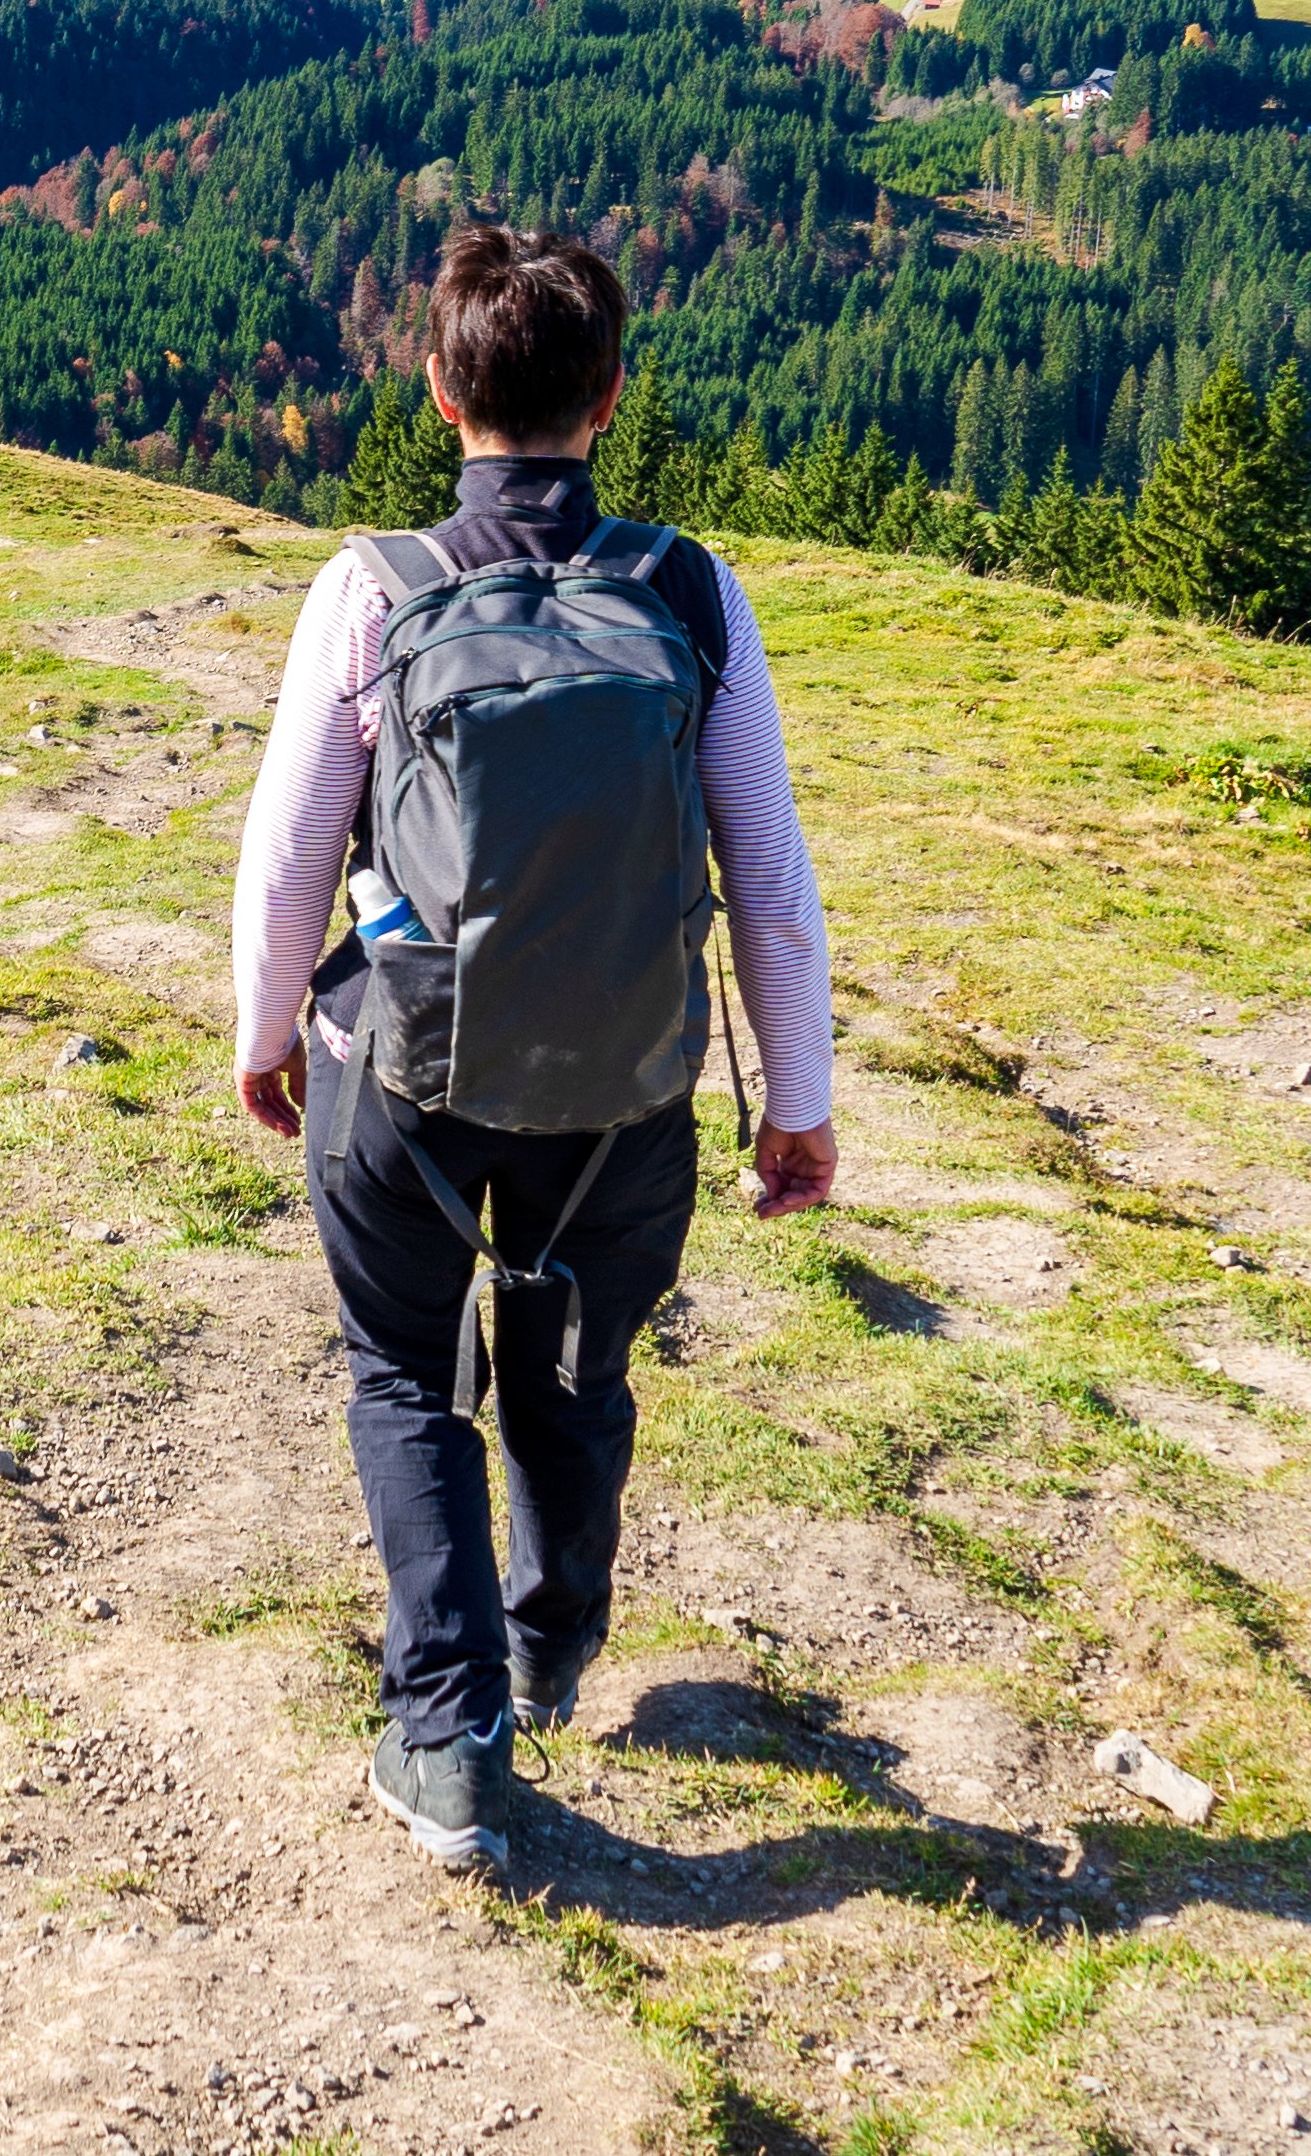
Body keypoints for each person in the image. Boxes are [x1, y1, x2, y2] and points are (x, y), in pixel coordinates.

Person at [224, 222, 834, 1872]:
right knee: (577, 1363)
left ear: (439, 391)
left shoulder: (373, 590)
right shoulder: (692, 590)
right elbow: (766, 877)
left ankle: (451, 1729)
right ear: (611, 397)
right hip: (630, 1096)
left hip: (404, 1084)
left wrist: (267, 1032)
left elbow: (290, 856)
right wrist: (799, 1100)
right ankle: (553, 1634)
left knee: (401, 1374)